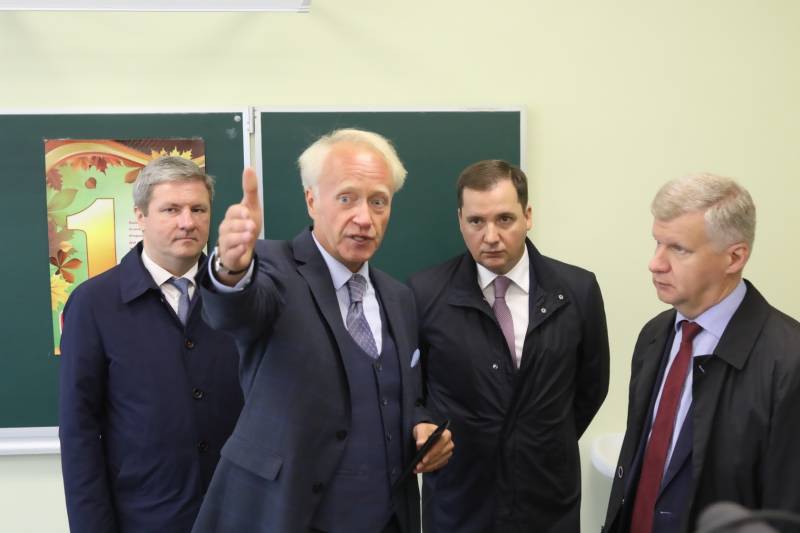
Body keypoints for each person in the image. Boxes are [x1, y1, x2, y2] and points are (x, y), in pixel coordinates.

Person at [191, 128, 454, 533]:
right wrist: (231, 268)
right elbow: (235, 311)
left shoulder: (399, 297)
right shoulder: (272, 267)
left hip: (388, 519)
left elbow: (400, 395)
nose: (364, 218)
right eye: (347, 198)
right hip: (289, 515)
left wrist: (422, 425)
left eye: (378, 201)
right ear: (311, 200)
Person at [408, 160, 610, 532]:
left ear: (527, 216)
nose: (490, 236)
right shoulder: (423, 294)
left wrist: (541, 438)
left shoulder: (577, 291)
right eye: (476, 221)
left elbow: (591, 387)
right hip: (460, 503)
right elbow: (411, 392)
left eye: (504, 219)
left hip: (548, 501)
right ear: (460, 221)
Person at [603, 174, 800, 533]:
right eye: (657, 243)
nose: (655, 263)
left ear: (734, 257)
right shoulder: (654, 335)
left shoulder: (789, 359)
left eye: (679, 249)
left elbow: (786, 505)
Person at [58, 156, 244, 533]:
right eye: (171, 209)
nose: (187, 222)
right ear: (140, 216)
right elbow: (79, 431)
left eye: (198, 209)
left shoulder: (241, 297)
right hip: (143, 518)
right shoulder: (94, 303)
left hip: (240, 514)